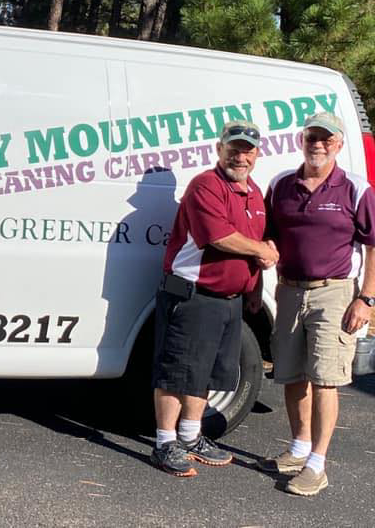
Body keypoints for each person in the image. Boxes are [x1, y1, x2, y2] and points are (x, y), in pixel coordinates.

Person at [151, 120, 279, 477]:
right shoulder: (205, 185)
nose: (241, 156)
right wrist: (264, 253)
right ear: (219, 149)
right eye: (234, 148)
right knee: (177, 372)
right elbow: (219, 236)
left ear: (257, 154)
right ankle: (164, 443)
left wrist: (254, 286)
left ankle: (190, 436)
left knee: (205, 373)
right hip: (194, 296)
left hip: (229, 300)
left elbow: (251, 249)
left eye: (248, 149)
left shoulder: (254, 193)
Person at [258, 112, 375, 496]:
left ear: (339, 144)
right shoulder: (280, 186)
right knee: (292, 375)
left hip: (335, 293)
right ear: (302, 140)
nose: (318, 145)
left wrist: (366, 298)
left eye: (327, 139)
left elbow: (373, 246)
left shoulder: (356, 188)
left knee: (326, 379)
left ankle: (317, 464)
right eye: (312, 137)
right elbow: (269, 235)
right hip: (289, 291)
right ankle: (298, 447)